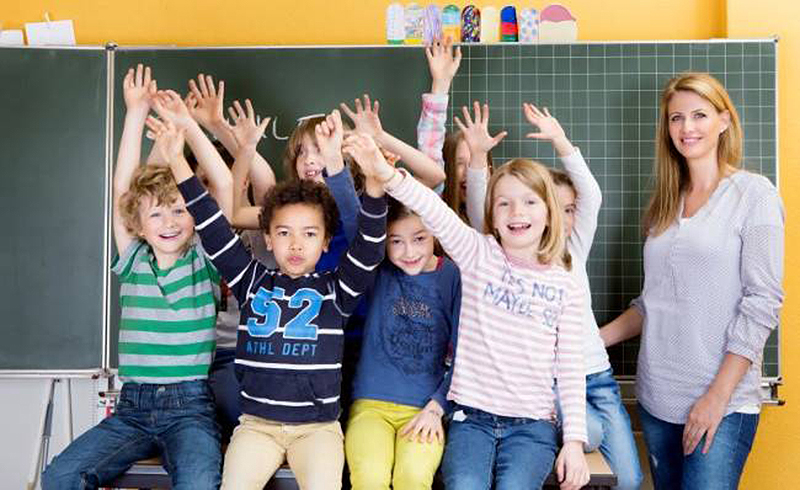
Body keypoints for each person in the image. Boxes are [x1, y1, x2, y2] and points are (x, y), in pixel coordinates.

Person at [346, 122, 591, 489]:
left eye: (528, 201)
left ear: (549, 211)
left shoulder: (565, 281)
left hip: (531, 426)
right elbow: (431, 207)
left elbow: (571, 367)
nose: (515, 212)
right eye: (503, 203)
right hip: (470, 420)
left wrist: (573, 441)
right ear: (491, 213)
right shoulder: (478, 254)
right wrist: (384, 174)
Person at [158, 106, 387, 490]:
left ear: (326, 241)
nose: (296, 244)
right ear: (268, 238)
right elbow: (213, 227)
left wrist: (376, 187)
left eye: (310, 234)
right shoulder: (252, 281)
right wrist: (177, 162)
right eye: (284, 233)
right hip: (257, 428)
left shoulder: (337, 290)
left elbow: (369, 246)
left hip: (317, 430)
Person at [42, 64, 227, 489]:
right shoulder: (134, 258)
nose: (169, 222)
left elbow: (220, 182)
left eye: (180, 209)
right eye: (156, 213)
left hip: (191, 408)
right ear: (138, 223)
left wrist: (188, 127)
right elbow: (123, 187)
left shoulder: (206, 258)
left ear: (196, 215)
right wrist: (134, 114)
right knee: (61, 477)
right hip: (133, 407)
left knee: (200, 482)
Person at [600, 72, 785, 489]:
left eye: (699, 115)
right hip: (656, 398)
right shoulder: (664, 206)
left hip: (721, 402)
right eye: (676, 118)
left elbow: (763, 302)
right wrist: (594, 340)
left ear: (724, 120)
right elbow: (653, 305)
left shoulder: (753, 195)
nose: (687, 128)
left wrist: (715, 398)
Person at [462, 101, 644, 489]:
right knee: (589, 437)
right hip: (548, 381)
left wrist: (562, 142)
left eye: (569, 208)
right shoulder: (508, 252)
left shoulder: (571, 252)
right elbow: (481, 212)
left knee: (629, 479)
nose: (563, 215)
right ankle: (560, 428)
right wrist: (478, 159)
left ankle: (567, 428)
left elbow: (592, 196)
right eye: (554, 206)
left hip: (596, 375)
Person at [344, 195, 461, 489]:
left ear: (434, 231)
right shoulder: (378, 271)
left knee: (413, 477)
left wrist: (437, 408)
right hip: (370, 406)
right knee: (370, 477)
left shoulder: (453, 276)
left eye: (419, 238)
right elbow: (349, 215)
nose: (409, 251)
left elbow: (466, 355)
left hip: (425, 410)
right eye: (396, 241)